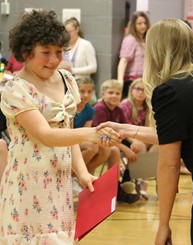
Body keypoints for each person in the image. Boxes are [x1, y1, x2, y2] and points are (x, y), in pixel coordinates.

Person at [0, 10, 120, 244]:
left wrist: (83, 173)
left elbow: (68, 134)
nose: (54, 60)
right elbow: (47, 135)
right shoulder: (15, 89)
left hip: (59, 182)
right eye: (45, 53)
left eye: (58, 52)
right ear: (26, 52)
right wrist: (93, 133)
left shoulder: (68, 80)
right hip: (28, 184)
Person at [98, 18, 193, 245]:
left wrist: (163, 224)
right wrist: (123, 129)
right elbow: (176, 133)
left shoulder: (172, 89)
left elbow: (169, 163)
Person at [92, 79, 141, 203]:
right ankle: (116, 189)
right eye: (110, 93)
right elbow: (103, 135)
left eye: (117, 93)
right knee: (115, 150)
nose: (114, 96)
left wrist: (133, 141)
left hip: (112, 140)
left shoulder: (118, 110)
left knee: (138, 146)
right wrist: (126, 149)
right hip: (98, 140)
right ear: (103, 94)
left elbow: (126, 128)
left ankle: (127, 179)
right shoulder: (99, 108)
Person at [58, 17, 97, 105]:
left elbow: (93, 67)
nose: (67, 35)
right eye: (65, 32)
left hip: (82, 86)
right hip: (67, 86)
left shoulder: (86, 45)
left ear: (77, 29)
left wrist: (73, 70)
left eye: (69, 32)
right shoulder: (64, 46)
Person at [117, 11, 150, 98]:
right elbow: (123, 60)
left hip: (144, 80)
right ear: (133, 25)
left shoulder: (147, 40)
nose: (143, 26)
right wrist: (120, 81)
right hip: (132, 80)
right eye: (139, 23)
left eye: (145, 23)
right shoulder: (130, 39)